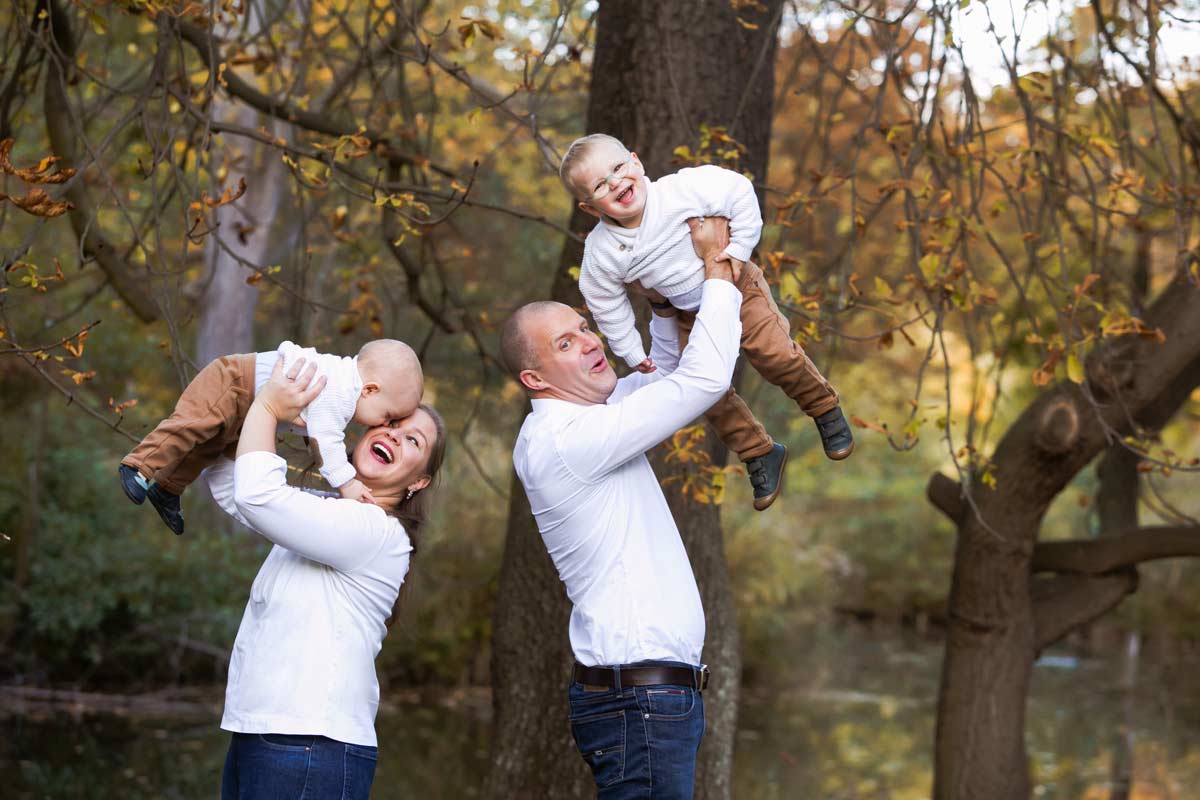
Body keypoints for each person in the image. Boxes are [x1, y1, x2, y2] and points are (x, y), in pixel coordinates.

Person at [503, 216, 740, 798]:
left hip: (648, 699)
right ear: (535, 378)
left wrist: (660, 307)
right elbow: (705, 378)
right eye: (566, 343)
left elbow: (664, 374)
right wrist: (717, 270)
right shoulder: (568, 441)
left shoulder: (589, 422)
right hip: (641, 701)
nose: (590, 341)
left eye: (584, 328)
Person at [559, 133, 853, 511]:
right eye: (601, 184)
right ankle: (758, 451)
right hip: (685, 314)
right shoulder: (602, 251)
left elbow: (739, 191)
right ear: (588, 206)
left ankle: (823, 407)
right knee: (701, 391)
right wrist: (631, 350)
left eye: (618, 168)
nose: (616, 182)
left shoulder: (682, 190)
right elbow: (604, 300)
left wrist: (738, 250)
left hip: (737, 283)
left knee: (773, 353)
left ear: (636, 161)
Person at [202, 356, 446, 800]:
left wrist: (269, 409)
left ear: (419, 481)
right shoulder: (327, 511)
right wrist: (234, 413)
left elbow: (257, 495)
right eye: (391, 422)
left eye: (412, 439)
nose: (393, 432)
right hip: (264, 730)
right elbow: (232, 488)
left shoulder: (377, 532)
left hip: (310, 744)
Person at [119, 338, 424, 534]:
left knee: (209, 449)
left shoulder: (342, 388)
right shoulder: (341, 392)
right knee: (192, 426)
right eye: (387, 416)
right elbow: (325, 442)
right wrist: (347, 482)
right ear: (370, 390)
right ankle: (139, 465)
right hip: (235, 382)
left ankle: (167, 489)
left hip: (248, 409)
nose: (382, 425)